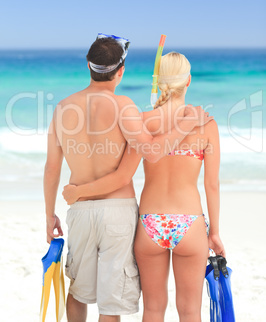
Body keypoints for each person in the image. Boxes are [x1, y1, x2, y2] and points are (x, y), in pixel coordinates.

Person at [44, 35, 212, 322]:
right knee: (112, 302)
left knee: (78, 292)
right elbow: (153, 151)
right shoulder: (124, 106)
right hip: (118, 212)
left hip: (80, 212)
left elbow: (51, 169)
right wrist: (184, 124)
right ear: (120, 71)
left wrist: (50, 215)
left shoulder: (62, 108)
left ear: (88, 66)